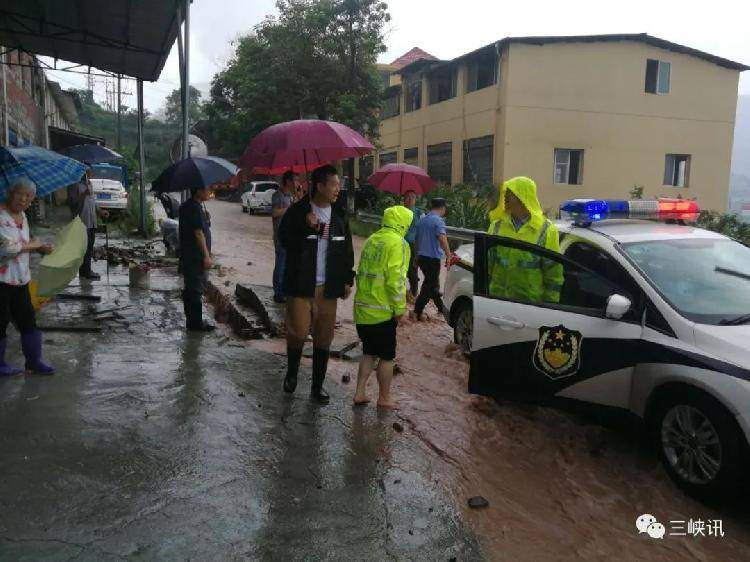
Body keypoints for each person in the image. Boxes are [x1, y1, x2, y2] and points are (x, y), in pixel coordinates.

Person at [279, 164, 355, 404]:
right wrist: (304, 224)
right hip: (301, 285)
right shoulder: (297, 212)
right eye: (333, 184)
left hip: (328, 287)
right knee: (299, 332)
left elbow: (347, 251)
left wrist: (347, 279)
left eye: (338, 184)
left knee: (324, 338)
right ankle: (292, 373)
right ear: (319, 186)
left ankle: (317, 387)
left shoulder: (340, 216)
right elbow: (283, 241)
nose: (337, 189)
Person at [352, 205, 413, 409]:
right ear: (403, 223)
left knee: (368, 352)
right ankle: (384, 398)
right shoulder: (399, 244)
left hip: (362, 309)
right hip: (382, 312)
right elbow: (395, 280)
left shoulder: (372, 239)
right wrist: (400, 309)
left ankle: (360, 392)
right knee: (387, 357)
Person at [0, 179, 55, 376]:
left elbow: (24, 243)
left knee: (28, 321)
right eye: (19, 194)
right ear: (10, 193)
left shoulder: (22, 216)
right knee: (1, 322)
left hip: (21, 279)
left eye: (28, 197)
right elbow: (6, 249)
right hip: (2, 281)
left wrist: (40, 248)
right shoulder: (0, 215)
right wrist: (33, 245)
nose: (23, 199)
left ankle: (34, 361)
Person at [486, 176, 563, 303]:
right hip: (498, 299)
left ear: (522, 197)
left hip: (529, 303)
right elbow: (488, 261)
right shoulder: (497, 225)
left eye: (510, 193)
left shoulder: (546, 230)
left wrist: (550, 305)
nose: (505, 196)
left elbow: (553, 272)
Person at [179, 185, 215, 332]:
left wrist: (205, 217)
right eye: (207, 189)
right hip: (195, 256)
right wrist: (206, 256)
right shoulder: (194, 208)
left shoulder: (188, 207)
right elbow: (198, 233)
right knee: (195, 290)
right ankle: (196, 324)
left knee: (191, 289)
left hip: (188, 255)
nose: (209, 192)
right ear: (198, 190)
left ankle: (192, 321)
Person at [414, 198, 452, 320]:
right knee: (429, 285)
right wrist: (448, 254)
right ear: (443, 208)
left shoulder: (422, 220)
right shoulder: (438, 221)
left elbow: (416, 240)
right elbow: (442, 238)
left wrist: (416, 256)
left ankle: (441, 308)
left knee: (433, 284)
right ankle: (417, 311)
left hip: (421, 258)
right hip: (432, 258)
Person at [271, 171, 299, 303]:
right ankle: (278, 292)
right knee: (281, 263)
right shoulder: (278, 195)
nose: (297, 183)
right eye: (295, 180)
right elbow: (274, 213)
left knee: (288, 263)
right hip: (280, 235)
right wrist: (289, 207)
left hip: (291, 235)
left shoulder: (292, 196)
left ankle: (285, 289)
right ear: (288, 181)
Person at [78, 169, 108, 281]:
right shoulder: (77, 185)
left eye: (90, 171)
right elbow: (73, 202)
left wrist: (100, 211)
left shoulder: (89, 184)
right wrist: (83, 194)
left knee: (90, 247)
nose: (90, 173)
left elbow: (92, 201)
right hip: (83, 220)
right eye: (88, 171)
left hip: (92, 220)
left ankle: (87, 270)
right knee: (85, 247)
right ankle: (84, 271)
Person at [402, 190, 424, 301]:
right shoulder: (399, 211)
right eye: (407, 197)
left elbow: (423, 229)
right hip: (400, 244)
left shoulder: (419, 213)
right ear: (403, 199)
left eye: (413, 197)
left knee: (413, 268)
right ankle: (400, 292)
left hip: (413, 244)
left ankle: (414, 292)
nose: (410, 199)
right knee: (400, 267)